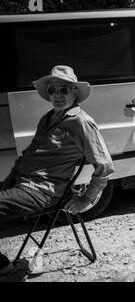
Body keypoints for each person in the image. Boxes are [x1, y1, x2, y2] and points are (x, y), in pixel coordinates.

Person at [0, 65, 115, 275]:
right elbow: (29, 153)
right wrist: (9, 180)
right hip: (23, 181)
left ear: (74, 92)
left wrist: (86, 199)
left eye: (64, 89)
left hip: (42, 190)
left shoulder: (81, 122)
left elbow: (105, 166)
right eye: (53, 90)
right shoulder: (49, 117)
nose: (57, 95)